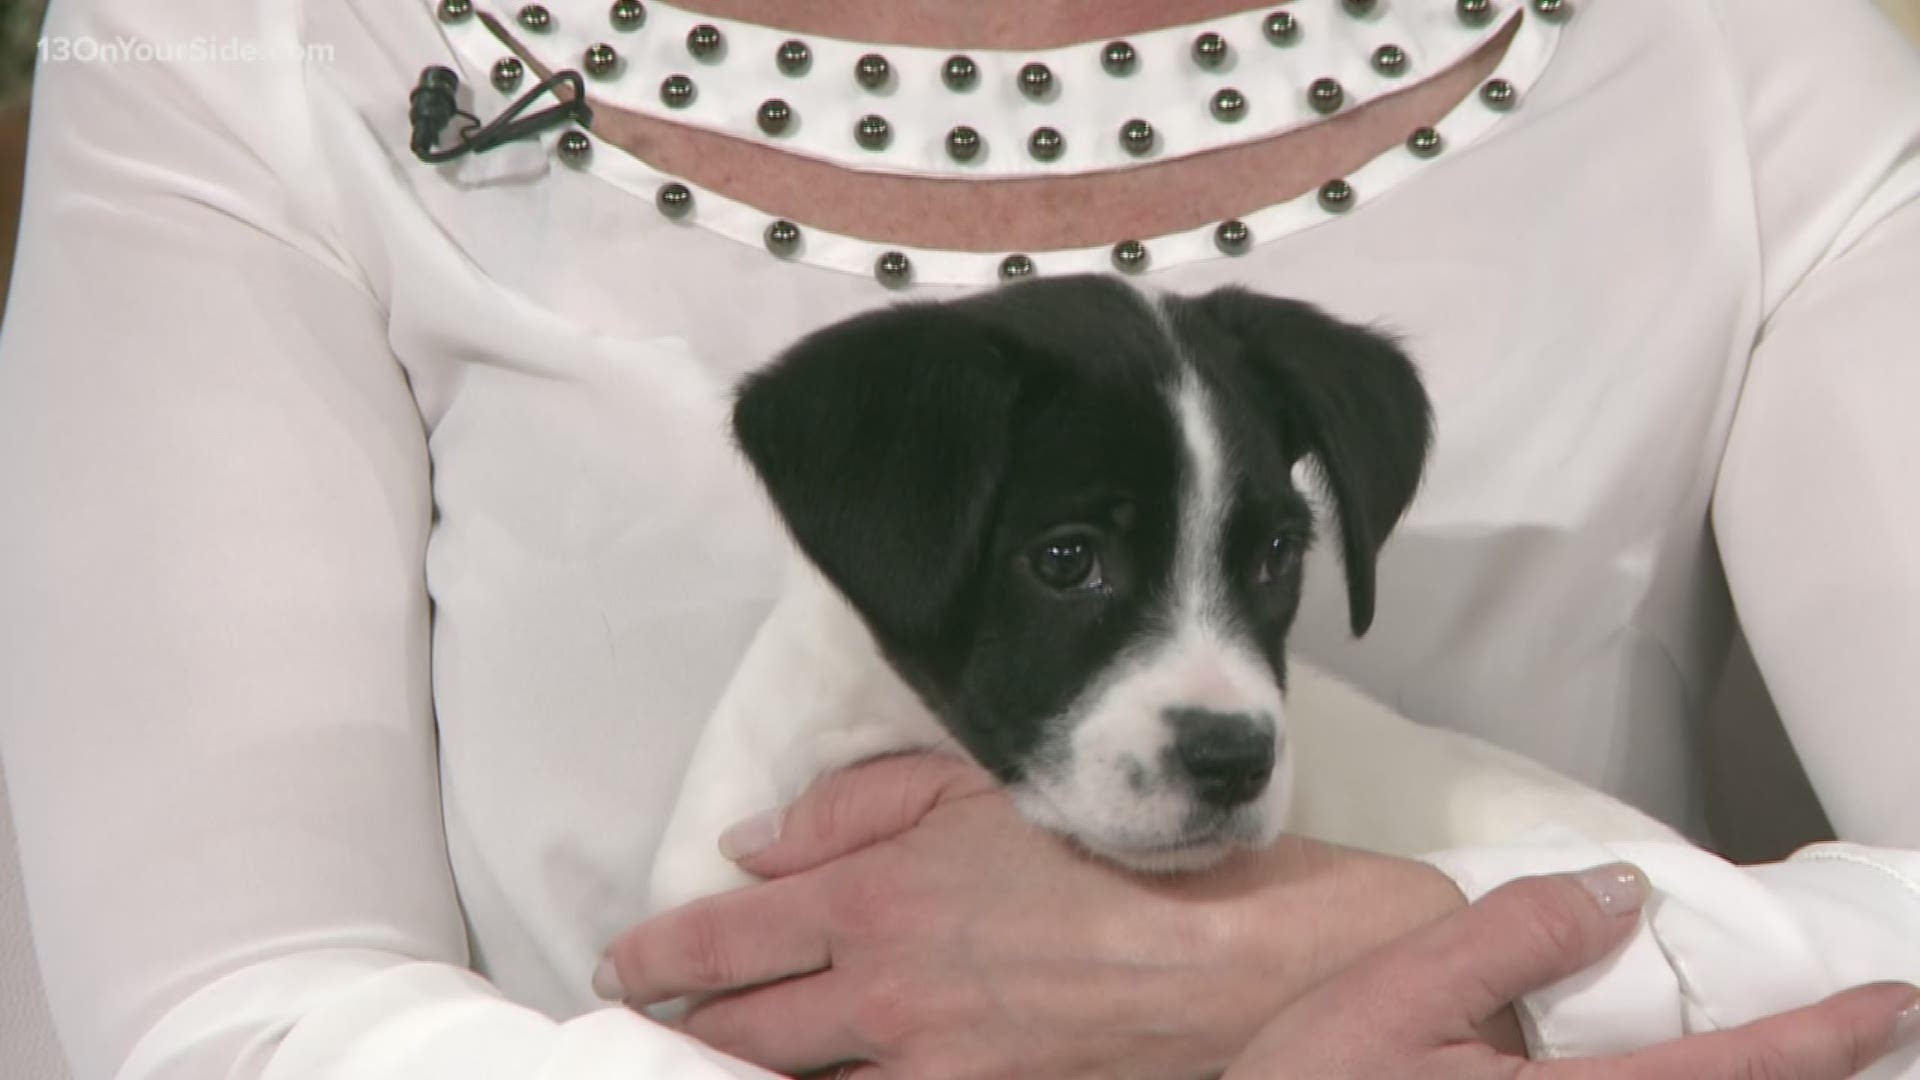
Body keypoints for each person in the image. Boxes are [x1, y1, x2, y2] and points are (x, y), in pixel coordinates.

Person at [1, 0, 1917, 1076]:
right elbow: (225, 1022)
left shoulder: (1738, 49)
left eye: (1263, 564)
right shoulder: (232, 42)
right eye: (1074, 562)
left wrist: (1468, 964)